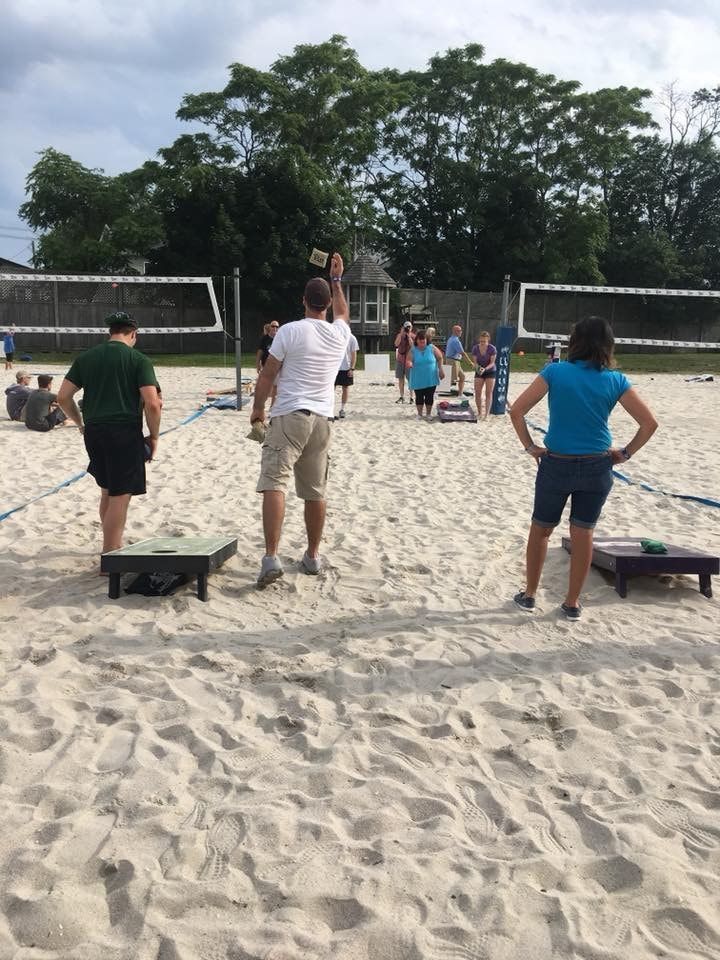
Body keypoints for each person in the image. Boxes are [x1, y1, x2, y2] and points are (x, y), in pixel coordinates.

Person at [509, 315, 657, 620]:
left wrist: (529, 446)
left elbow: (517, 410)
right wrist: (625, 454)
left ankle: (529, 595)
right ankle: (572, 603)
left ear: (574, 341)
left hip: (557, 463)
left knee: (541, 531)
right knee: (583, 533)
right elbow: (649, 423)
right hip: (598, 465)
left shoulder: (555, 372)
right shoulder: (616, 379)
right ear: (607, 345)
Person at [250, 253, 350, 587]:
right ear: (326, 305)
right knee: (314, 491)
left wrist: (257, 409)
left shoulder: (290, 331)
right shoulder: (338, 335)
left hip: (290, 414)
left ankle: (271, 557)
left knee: (274, 484)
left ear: (303, 301)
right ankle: (311, 556)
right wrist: (337, 279)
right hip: (323, 420)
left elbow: (267, 375)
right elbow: (344, 313)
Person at [57, 311, 162, 557]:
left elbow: (62, 397)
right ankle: (111, 554)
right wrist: (154, 436)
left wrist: (80, 422)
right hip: (123, 431)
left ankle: (110, 547)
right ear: (133, 334)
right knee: (120, 495)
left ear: (110, 332)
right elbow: (152, 403)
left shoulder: (86, 358)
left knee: (106, 490)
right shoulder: (138, 360)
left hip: (93, 431)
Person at [408, 329, 444, 419]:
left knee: (429, 396)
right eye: (420, 339)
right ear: (416, 340)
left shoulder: (431, 347)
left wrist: (441, 369)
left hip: (430, 377)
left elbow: (440, 358)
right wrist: (409, 363)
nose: (422, 341)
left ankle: (428, 414)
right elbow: (408, 359)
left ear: (426, 340)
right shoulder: (413, 349)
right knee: (419, 396)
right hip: (418, 378)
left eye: (423, 339)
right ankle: (419, 414)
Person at [471, 331, 497, 419]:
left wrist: (485, 369)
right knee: (477, 392)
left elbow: (492, 363)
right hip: (479, 370)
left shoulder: (492, 348)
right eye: (481, 341)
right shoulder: (475, 348)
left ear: (488, 340)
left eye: (484, 341)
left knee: (488, 393)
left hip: (490, 371)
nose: (482, 343)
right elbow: (475, 362)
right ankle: (479, 413)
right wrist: (478, 368)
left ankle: (486, 414)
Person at [444, 324, 474, 396]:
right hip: (453, 361)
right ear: (454, 331)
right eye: (459, 331)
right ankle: (437, 391)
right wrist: (470, 362)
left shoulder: (451, 339)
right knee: (450, 380)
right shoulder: (455, 341)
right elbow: (462, 353)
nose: (461, 332)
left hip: (454, 360)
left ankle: (460, 394)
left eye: (461, 330)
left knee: (462, 376)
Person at [335, 331, 358, 419]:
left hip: (346, 367)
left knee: (345, 388)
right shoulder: (333, 335)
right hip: (334, 367)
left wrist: (352, 368)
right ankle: (329, 409)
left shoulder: (351, 338)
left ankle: (342, 409)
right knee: (330, 389)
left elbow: (354, 354)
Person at [394, 321, 415, 403]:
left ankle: (411, 397)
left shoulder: (413, 336)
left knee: (411, 379)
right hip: (400, 360)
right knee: (400, 378)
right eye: (406, 327)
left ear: (411, 328)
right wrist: (401, 334)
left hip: (409, 361)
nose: (408, 329)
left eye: (409, 327)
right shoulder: (400, 335)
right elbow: (396, 344)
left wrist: (409, 336)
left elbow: (413, 346)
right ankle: (401, 396)